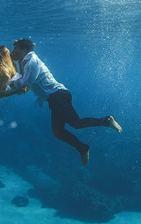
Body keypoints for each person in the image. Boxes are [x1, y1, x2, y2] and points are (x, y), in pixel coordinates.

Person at [9, 38, 122, 166]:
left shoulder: (32, 62)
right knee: (58, 131)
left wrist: (6, 84)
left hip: (59, 96)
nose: (13, 52)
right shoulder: (26, 61)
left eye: (15, 49)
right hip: (55, 97)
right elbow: (24, 78)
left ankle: (106, 122)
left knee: (75, 123)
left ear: (23, 49)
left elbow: (25, 83)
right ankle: (83, 148)